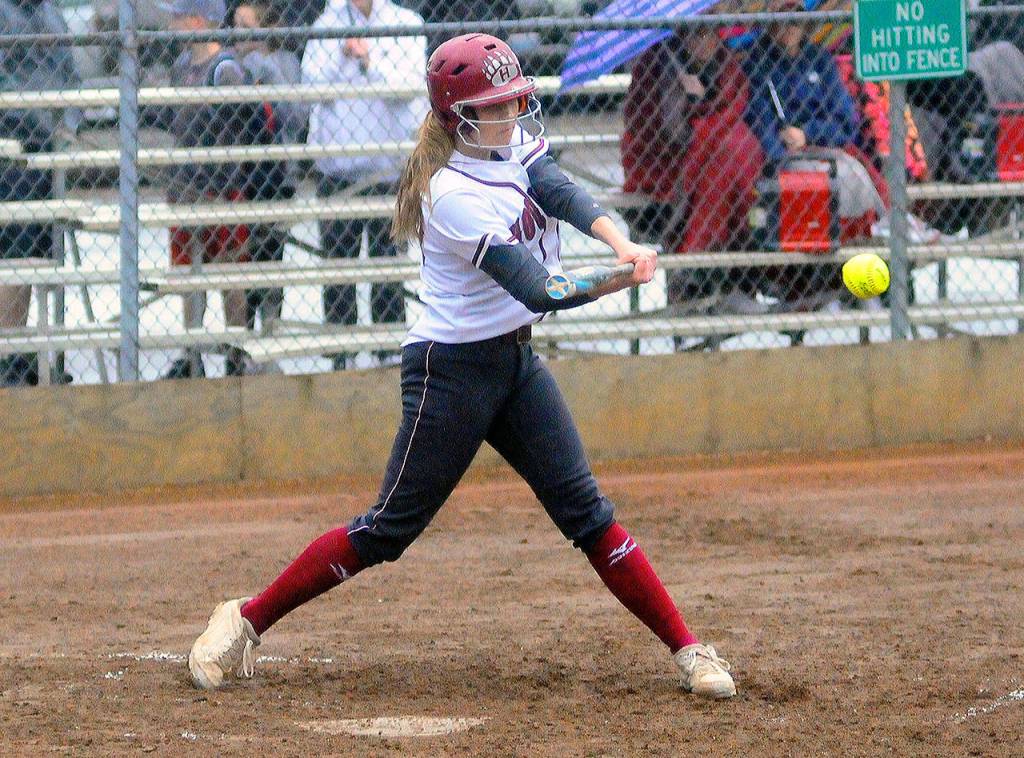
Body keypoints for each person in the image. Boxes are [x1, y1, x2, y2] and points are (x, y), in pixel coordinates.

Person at [187, 33, 736, 701]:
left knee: (588, 514)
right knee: (387, 531)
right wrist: (618, 279)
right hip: (450, 373)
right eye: (493, 106)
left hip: (514, 362)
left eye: (513, 101)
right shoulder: (449, 193)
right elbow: (537, 288)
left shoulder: (510, 145)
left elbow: (557, 187)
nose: (509, 115)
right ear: (458, 118)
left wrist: (619, 241)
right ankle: (246, 620)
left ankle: (689, 649)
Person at [301, 0, 427, 370]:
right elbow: (310, 87)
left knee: (387, 266)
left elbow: (408, 89)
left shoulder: (406, 23)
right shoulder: (325, 26)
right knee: (338, 266)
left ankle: (388, 350)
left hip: (390, 171)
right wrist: (341, 55)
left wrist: (370, 61)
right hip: (338, 171)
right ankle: (341, 352)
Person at [622, 26, 765, 313]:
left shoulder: (727, 63)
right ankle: (713, 272)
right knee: (728, 154)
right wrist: (691, 101)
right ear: (683, 36)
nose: (704, 41)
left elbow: (734, 106)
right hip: (664, 166)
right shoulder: (658, 64)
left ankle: (703, 271)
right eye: (696, 34)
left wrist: (704, 110)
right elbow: (665, 133)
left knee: (735, 148)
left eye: (710, 33)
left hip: (715, 162)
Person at [160, 0, 253, 379]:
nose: (172, 24)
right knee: (189, 276)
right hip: (186, 189)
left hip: (221, 188)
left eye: (179, 17)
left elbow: (244, 125)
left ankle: (236, 351)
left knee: (229, 273)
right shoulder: (182, 67)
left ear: (198, 21)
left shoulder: (224, 69)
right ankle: (192, 351)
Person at [0, 0, 82, 386]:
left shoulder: (51, 14)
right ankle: (7, 355)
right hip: (9, 146)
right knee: (12, 255)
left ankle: (17, 352)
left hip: (45, 149)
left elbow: (71, 78)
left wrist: (67, 124)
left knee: (32, 256)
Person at [231, 0, 308, 336]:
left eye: (248, 27)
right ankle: (242, 338)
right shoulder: (230, 65)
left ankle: (270, 330)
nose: (240, 35)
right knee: (242, 259)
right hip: (241, 176)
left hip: (277, 174)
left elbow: (297, 117)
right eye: (236, 26)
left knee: (272, 256)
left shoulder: (284, 63)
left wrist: (266, 71)